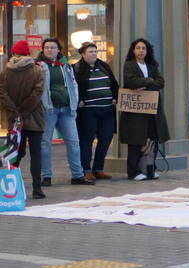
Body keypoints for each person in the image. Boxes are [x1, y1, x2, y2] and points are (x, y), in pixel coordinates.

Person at [38, 38, 88, 186]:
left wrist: (74, 101)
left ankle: (78, 175)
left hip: (67, 109)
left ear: (58, 50)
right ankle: (46, 176)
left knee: (74, 142)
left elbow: (73, 84)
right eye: (46, 48)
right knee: (45, 143)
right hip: (49, 109)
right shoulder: (39, 66)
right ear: (43, 49)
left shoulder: (65, 65)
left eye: (53, 47)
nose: (49, 50)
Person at [0, 40, 46, 199]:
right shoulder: (37, 70)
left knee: (14, 153)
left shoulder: (5, 72)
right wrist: (24, 112)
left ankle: (11, 188)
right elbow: (37, 94)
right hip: (34, 117)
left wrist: (16, 113)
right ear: (28, 53)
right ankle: (37, 189)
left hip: (13, 118)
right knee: (36, 153)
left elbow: (2, 95)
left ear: (14, 53)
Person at [119, 38, 170, 181]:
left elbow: (161, 82)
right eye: (138, 48)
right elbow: (130, 81)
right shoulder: (129, 65)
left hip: (152, 108)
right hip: (136, 110)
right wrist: (149, 81)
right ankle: (133, 172)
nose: (141, 51)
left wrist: (146, 83)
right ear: (133, 50)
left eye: (144, 48)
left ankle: (149, 169)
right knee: (136, 140)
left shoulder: (152, 65)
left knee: (152, 138)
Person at [74, 42, 119, 182]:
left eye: (95, 51)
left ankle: (98, 169)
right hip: (88, 111)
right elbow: (73, 86)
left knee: (105, 140)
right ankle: (86, 170)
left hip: (107, 109)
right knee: (86, 141)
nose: (94, 54)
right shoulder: (76, 68)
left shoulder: (103, 65)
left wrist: (115, 97)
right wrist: (79, 100)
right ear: (83, 54)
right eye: (90, 52)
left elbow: (114, 83)